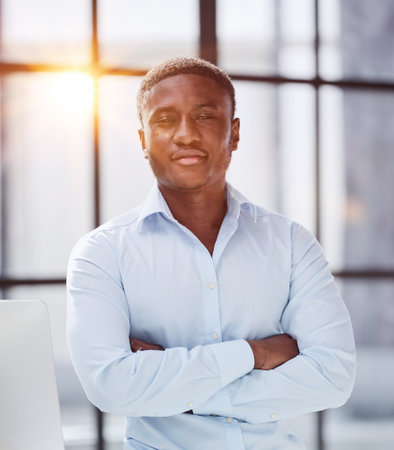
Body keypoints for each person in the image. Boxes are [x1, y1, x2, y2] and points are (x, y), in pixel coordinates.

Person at [67, 57, 356, 449]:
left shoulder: (290, 243)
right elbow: (110, 387)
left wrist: (176, 389)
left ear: (234, 133)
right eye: (165, 120)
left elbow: (333, 377)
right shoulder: (102, 253)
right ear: (142, 139)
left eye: (204, 116)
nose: (185, 135)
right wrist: (255, 353)